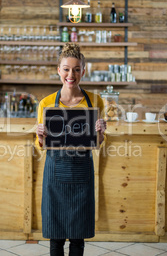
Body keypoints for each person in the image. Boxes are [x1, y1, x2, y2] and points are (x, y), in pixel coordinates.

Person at [36, 43, 106, 256]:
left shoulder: (95, 101)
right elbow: (41, 145)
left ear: (83, 71)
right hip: (55, 173)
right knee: (55, 238)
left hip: (82, 172)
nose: (71, 74)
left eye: (76, 69)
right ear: (58, 70)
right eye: (66, 69)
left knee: (78, 237)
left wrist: (101, 132)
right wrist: (40, 137)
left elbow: (98, 142)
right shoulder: (46, 104)